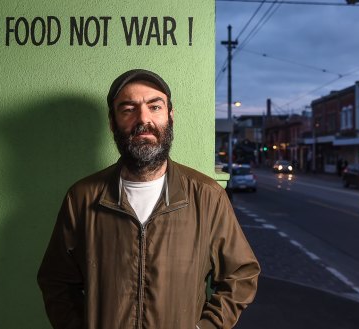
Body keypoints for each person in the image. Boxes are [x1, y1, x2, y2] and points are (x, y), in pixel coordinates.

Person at [37, 69, 260, 329]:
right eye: (128, 109)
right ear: (113, 122)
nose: (143, 119)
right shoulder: (82, 198)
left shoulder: (207, 196)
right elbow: (56, 281)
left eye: (155, 106)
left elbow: (241, 274)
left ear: (170, 116)